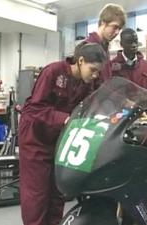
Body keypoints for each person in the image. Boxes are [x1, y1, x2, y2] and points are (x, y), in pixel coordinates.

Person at [18, 43, 107, 225]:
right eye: (93, 70)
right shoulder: (53, 72)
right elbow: (34, 107)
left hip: (59, 139)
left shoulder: (87, 83)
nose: (95, 75)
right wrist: (64, 119)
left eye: (98, 71)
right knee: (37, 193)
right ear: (80, 61)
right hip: (35, 137)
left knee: (57, 190)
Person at [85, 3, 126, 86]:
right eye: (115, 27)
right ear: (103, 22)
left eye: (120, 29)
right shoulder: (88, 47)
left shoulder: (104, 48)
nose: (117, 32)